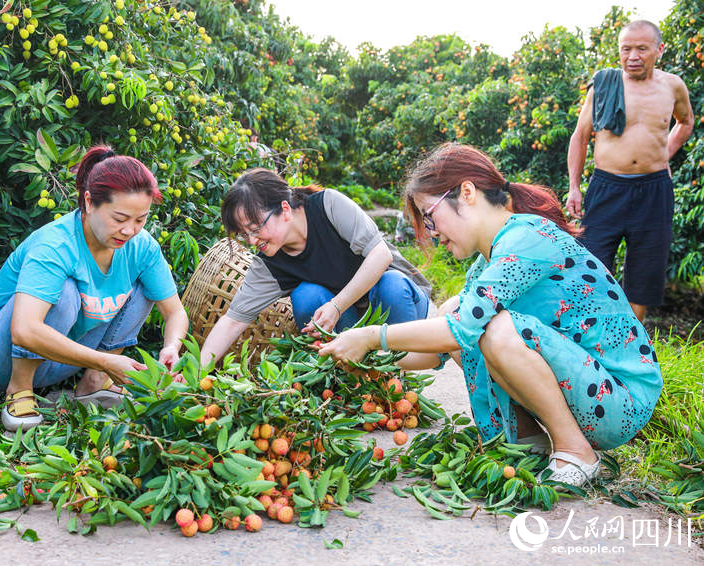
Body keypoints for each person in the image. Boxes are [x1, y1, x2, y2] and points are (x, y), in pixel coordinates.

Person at [319, 143, 663, 487]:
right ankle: (526, 441)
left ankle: (577, 452)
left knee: (491, 328)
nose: (433, 232)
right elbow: (440, 347)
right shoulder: (489, 264)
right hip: (587, 389)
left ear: (466, 192)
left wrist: (369, 336)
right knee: (454, 310)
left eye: (430, 216)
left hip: (618, 400)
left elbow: (460, 330)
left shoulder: (528, 238)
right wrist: (364, 359)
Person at [0, 146, 188, 431]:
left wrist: (171, 347)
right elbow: (23, 330)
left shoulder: (141, 247)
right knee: (65, 291)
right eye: (120, 219)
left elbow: (175, 312)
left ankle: (95, 382)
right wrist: (107, 360)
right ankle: (19, 389)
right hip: (0, 358)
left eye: (140, 219)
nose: (129, 230)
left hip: (56, 360)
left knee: (146, 287)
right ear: (89, 202)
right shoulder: (55, 245)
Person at [199, 168, 433, 365]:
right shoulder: (268, 264)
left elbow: (381, 255)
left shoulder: (328, 206)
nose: (252, 240)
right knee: (306, 295)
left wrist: (336, 306)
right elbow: (233, 321)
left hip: (399, 307)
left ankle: (397, 372)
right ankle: (352, 376)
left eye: (256, 227)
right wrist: (196, 376)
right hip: (351, 324)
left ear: (285, 209)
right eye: (244, 234)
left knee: (389, 283)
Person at [567, 19, 693, 322]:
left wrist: (666, 152)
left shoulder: (673, 86)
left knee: (644, 275)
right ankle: (593, 341)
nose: (633, 56)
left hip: (654, 190)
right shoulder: (604, 84)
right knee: (590, 268)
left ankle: (631, 348)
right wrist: (574, 186)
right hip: (607, 188)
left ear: (659, 50)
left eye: (641, 49)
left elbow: (686, 122)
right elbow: (580, 136)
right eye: (626, 49)